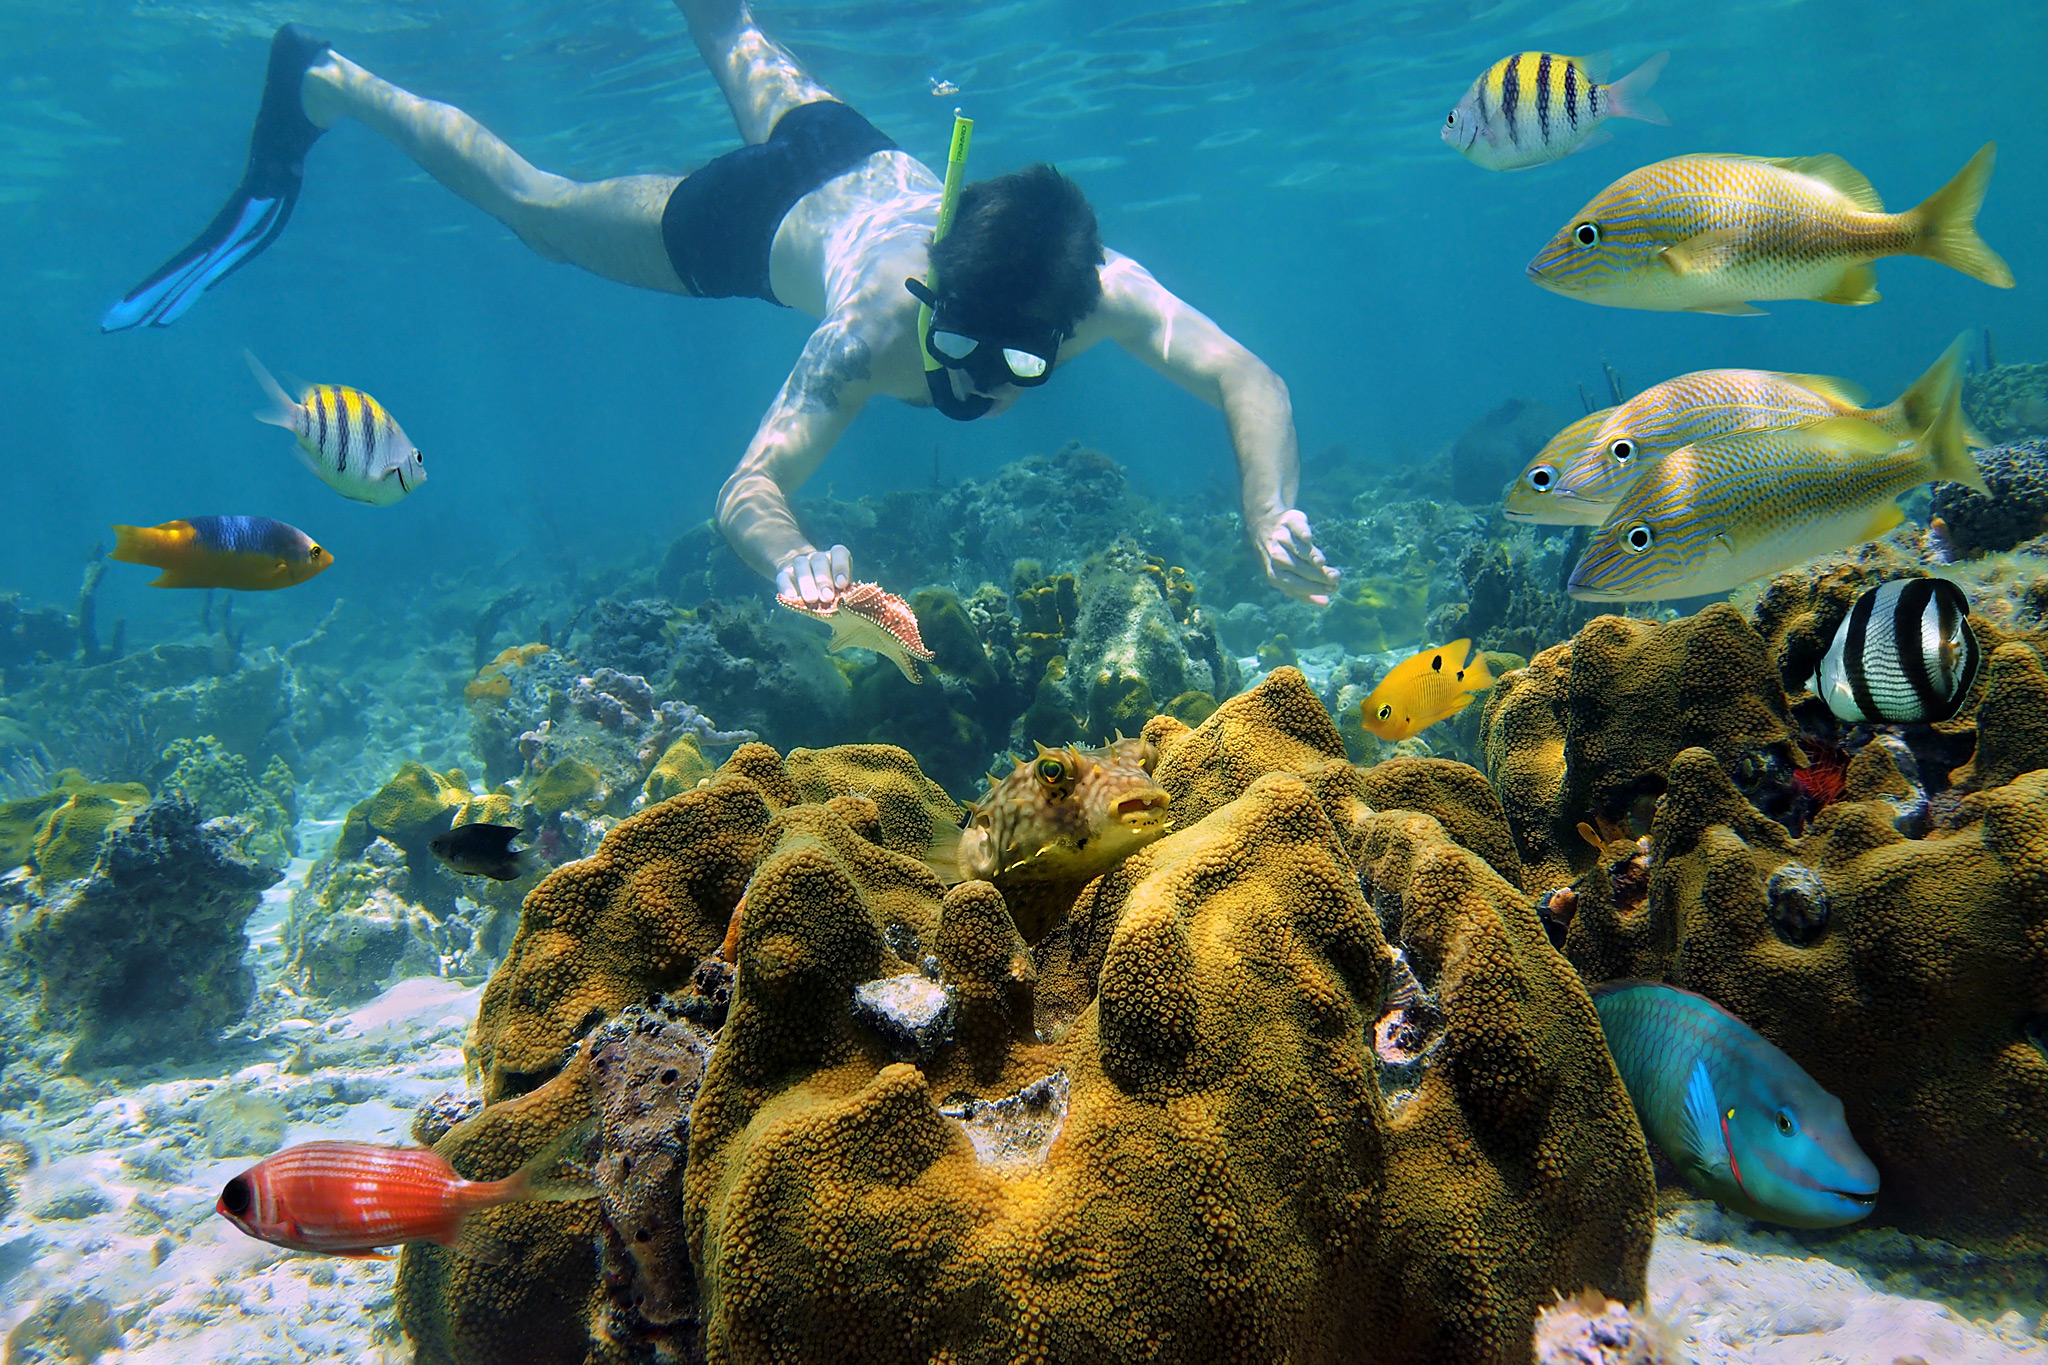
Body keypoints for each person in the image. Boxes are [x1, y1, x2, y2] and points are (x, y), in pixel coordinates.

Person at [103, 0, 1340, 609]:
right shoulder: (866, 327)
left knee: (727, 20)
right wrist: (793, 560)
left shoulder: (1101, 291)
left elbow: (1250, 378)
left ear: (1068, 326)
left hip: (852, 147)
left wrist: (1267, 508)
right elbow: (746, 487)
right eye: (951, 340)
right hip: (754, 221)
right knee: (539, 209)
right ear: (932, 285)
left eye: (1009, 370)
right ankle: (328, 80)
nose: (964, 380)